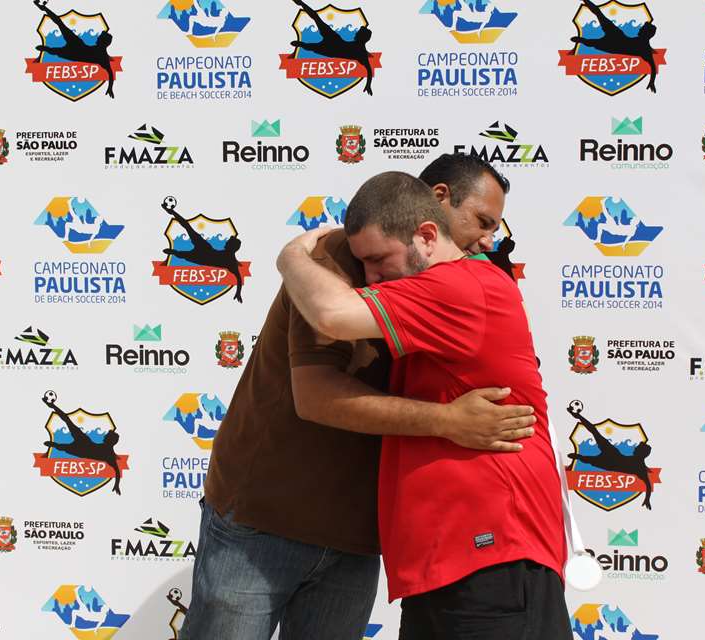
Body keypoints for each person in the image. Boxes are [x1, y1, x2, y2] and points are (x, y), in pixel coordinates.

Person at [182, 154, 532, 640]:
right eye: (482, 221)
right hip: (265, 519)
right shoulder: (333, 262)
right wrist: (449, 420)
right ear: (437, 204)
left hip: (357, 537)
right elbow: (316, 395)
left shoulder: (461, 284)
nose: (488, 239)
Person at [276, 172, 569, 639]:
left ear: (428, 237)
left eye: (378, 259)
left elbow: (332, 313)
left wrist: (290, 256)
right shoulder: (434, 293)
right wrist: (444, 420)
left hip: (494, 558)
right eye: (362, 263)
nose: (370, 277)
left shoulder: (461, 285)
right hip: (445, 566)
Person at [571, 0, 659, 93]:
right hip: (617, 36)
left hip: (614, 46)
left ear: (646, 33)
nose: (640, 29)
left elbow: (653, 67)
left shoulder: (645, 50)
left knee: (592, 42)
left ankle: (582, 40)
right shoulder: (646, 48)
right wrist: (652, 81)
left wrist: (652, 81)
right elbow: (653, 67)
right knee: (598, 15)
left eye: (642, 29)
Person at [33, 0, 116, 98]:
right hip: (77, 44)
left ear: (103, 42)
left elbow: (110, 73)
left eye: (100, 38)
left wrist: (110, 87)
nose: (97, 38)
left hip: (73, 54)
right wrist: (110, 87)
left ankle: (45, 48)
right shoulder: (103, 54)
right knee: (60, 24)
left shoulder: (103, 57)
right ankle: (44, 8)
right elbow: (110, 72)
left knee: (53, 50)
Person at [289, 0, 375, 95]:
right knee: (316, 20)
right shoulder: (362, 51)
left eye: (358, 33)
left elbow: (369, 70)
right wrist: (368, 84)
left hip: (331, 49)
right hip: (334, 41)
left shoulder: (362, 53)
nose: (356, 33)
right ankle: (301, 3)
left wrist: (368, 85)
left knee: (310, 45)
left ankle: (301, 44)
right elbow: (369, 70)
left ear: (362, 37)